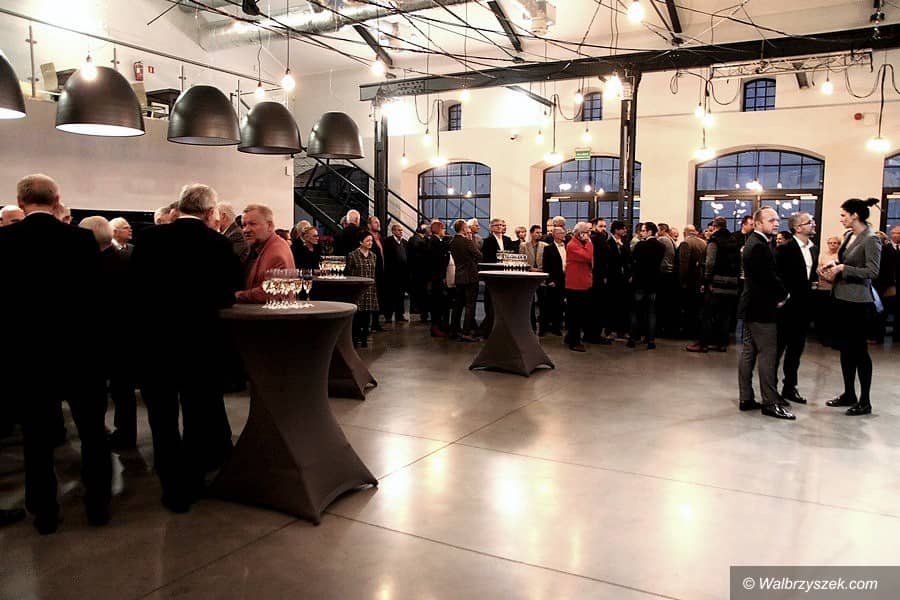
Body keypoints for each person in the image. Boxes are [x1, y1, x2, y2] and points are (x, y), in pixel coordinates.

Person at [0, 174, 113, 534]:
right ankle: (98, 504)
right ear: (57, 199)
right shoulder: (80, 240)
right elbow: (97, 299)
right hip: (80, 353)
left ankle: (44, 512)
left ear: (21, 201)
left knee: (36, 439)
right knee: (92, 432)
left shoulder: (5, 241)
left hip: (29, 356)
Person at [130, 183, 242, 512]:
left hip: (155, 344)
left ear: (179, 208)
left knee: (161, 419)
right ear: (209, 213)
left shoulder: (149, 239)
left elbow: (134, 290)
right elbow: (228, 294)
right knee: (197, 415)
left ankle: (171, 486)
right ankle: (193, 480)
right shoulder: (218, 244)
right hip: (200, 345)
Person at [820, 198, 882, 416]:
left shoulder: (871, 239)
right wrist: (834, 265)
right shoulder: (848, 236)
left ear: (855, 215)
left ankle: (865, 400)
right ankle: (849, 393)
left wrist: (843, 268)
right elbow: (844, 262)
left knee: (859, 352)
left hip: (858, 303)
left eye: (844, 215)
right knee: (845, 350)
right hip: (841, 298)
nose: (841, 219)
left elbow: (872, 272)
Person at [80, 216, 137, 449]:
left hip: (94, 338)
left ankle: (95, 433)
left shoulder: (85, 266)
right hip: (124, 336)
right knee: (124, 391)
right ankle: (126, 435)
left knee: (94, 389)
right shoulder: (128, 260)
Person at [738, 207, 794, 420]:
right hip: (761, 308)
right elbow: (768, 278)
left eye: (777, 219)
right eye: (771, 220)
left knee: (749, 352)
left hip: (751, 306)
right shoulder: (759, 246)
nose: (776, 223)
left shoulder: (753, 242)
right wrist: (784, 294)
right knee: (768, 354)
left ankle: (746, 397)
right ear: (758, 223)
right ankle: (770, 402)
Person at [775, 213, 818, 405]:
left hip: (804, 307)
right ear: (798, 228)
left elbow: (809, 277)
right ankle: (771, 389)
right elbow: (776, 275)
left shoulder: (813, 249)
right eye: (809, 222)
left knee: (796, 350)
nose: (813, 224)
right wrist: (782, 297)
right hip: (785, 307)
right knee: (778, 350)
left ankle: (790, 387)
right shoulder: (784, 249)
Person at [686, 217, 741, 353]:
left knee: (707, 314)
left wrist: (706, 279)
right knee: (725, 316)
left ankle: (703, 343)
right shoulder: (734, 240)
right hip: (732, 283)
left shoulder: (714, 240)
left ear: (714, 226)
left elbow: (710, 262)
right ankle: (721, 343)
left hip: (716, 282)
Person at [237, 204, 295, 304]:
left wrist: (238, 295)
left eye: (252, 224)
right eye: (244, 225)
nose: (246, 230)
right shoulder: (261, 247)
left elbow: (273, 292)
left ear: (269, 225)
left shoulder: (276, 252)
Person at [628, 222, 665, 350]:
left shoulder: (640, 245)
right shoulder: (661, 246)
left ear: (650, 232)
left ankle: (632, 338)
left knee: (635, 311)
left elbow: (634, 261)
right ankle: (651, 340)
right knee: (651, 312)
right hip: (653, 282)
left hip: (639, 282)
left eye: (643, 230)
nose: (641, 232)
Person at [449, 219, 482, 341]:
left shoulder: (452, 242)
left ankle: (454, 330)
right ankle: (466, 332)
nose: (469, 230)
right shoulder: (467, 241)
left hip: (459, 276)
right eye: (467, 227)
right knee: (470, 305)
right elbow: (479, 255)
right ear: (463, 229)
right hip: (470, 276)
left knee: (457, 305)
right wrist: (470, 240)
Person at [346, 231, 380, 347]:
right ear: (361, 242)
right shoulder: (353, 255)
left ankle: (364, 338)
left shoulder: (373, 256)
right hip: (357, 289)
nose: (370, 243)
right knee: (357, 316)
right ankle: (355, 339)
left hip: (370, 289)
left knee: (367, 315)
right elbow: (348, 273)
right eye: (367, 240)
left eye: (371, 241)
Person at [564, 222, 593, 352]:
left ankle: (570, 337)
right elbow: (588, 257)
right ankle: (574, 341)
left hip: (582, 283)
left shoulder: (580, 244)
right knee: (575, 315)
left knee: (579, 313)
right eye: (586, 232)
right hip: (575, 284)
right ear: (579, 233)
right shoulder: (572, 245)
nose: (589, 234)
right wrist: (589, 242)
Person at [678, 225, 707, 340]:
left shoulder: (686, 243)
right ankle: (696, 331)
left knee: (688, 308)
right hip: (700, 279)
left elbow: (683, 265)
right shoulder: (703, 242)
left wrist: (682, 280)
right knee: (697, 308)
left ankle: (688, 331)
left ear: (685, 233)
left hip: (690, 280)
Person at [604, 220, 632, 339]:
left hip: (623, 278)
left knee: (623, 305)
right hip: (612, 278)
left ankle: (622, 330)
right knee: (611, 305)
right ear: (616, 230)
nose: (625, 230)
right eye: (623, 228)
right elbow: (607, 261)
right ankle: (609, 331)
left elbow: (629, 258)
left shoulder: (625, 242)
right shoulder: (608, 243)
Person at [521, 225, 548, 334]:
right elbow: (521, 260)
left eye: (540, 233)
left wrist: (541, 270)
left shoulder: (545, 246)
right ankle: (531, 326)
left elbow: (547, 261)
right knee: (529, 303)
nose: (539, 234)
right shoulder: (524, 246)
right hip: (529, 276)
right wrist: (531, 269)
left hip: (542, 277)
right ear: (531, 233)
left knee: (543, 303)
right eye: (537, 232)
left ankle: (543, 328)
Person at [814, 235, 841, 346]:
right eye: (830, 243)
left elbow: (838, 271)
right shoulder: (823, 254)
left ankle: (833, 337)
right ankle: (822, 337)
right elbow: (818, 269)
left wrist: (830, 276)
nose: (832, 245)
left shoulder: (840, 255)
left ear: (839, 244)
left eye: (835, 243)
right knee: (822, 313)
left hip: (835, 287)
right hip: (823, 286)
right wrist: (824, 275)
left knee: (833, 314)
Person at [541, 226, 567, 336]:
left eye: (564, 232)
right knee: (550, 304)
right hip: (554, 280)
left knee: (560, 305)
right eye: (561, 233)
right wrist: (549, 280)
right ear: (555, 235)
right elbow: (546, 266)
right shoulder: (548, 248)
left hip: (565, 278)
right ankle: (544, 328)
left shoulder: (567, 247)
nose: (564, 235)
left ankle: (556, 327)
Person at [382, 222, 409, 323]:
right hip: (391, 274)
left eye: (401, 230)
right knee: (390, 296)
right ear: (393, 231)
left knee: (400, 296)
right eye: (399, 230)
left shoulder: (404, 242)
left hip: (402, 274)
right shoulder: (388, 242)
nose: (401, 232)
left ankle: (400, 316)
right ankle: (388, 316)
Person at [366, 216, 386, 332]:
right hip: (372, 271)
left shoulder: (380, 238)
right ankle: (369, 323)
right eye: (375, 222)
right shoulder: (368, 238)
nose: (378, 224)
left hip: (381, 271)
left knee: (379, 297)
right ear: (369, 225)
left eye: (378, 222)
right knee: (372, 297)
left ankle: (376, 322)